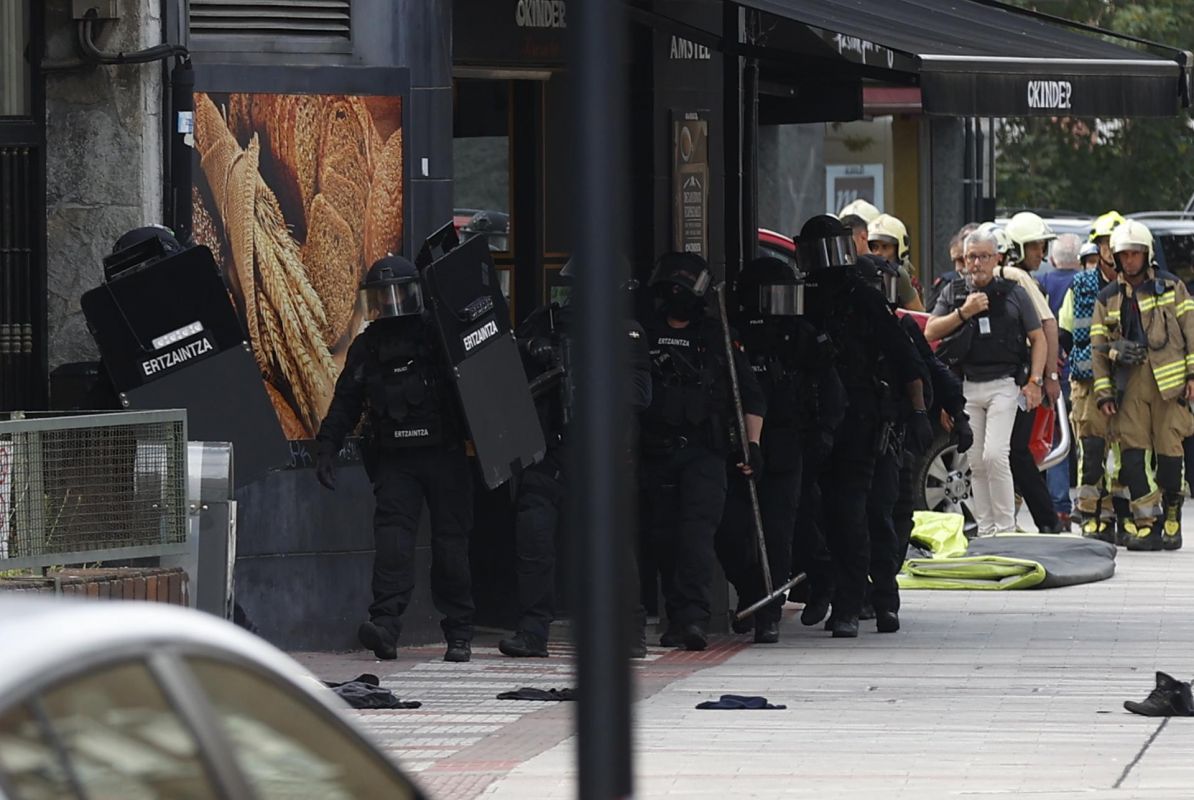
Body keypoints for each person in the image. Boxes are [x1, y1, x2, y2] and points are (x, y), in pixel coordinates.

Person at [314, 256, 476, 663]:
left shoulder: (435, 335)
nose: (390, 303)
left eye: (397, 293)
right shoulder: (369, 344)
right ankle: (384, 626)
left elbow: (474, 383)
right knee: (392, 544)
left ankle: (459, 632)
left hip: (444, 456)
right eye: (381, 297)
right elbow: (346, 400)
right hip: (395, 461)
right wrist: (326, 447)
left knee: (450, 548)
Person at [499, 262, 653, 659]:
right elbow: (505, 367)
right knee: (533, 539)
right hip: (550, 452)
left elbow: (640, 392)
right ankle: (533, 632)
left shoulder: (625, 332)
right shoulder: (547, 322)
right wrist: (536, 351)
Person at [796, 215, 928, 638]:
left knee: (852, 512)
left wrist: (920, 412)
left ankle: (852, 604)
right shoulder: (803, 296)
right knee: (810, 512)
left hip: (857, 420)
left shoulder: (861, 297)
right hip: (812, 419)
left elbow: (907, 358)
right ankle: (828, 591)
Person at [639, 252, 765, 650]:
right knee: (662, 538)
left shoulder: (716, 336)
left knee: (696, 535)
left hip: (703, 452)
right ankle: (677, 617)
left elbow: (751, 395)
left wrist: (753, 446)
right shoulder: (643, 331)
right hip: (655, 452)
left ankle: (693, 620)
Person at [717, 256, 843, 644]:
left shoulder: (802, 336)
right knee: (731, 532)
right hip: (740, 444)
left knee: (781, 529)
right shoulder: (731, 335)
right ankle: (752, 593)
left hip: (790, 442)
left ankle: (769, 612)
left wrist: (824, 432)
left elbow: (831, 388)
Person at [926, 228, 1047, 535]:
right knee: (975, 460)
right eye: (971, 257)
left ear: (996, 259)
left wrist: (1035, 380)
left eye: (983, 257)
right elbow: (931, 330)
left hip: (1004, 384)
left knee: (996, 455)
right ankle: (986, 528)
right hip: (967, 385)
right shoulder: (954, 292)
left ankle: (1006, 527)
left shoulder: (1014, 292)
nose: (976, 263)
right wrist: (964, 313)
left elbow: (1039, 337)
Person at [1091, 219, 1194, 551]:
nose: (1130, 260)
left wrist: (1192, 376)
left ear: (1146, 254)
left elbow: (1191, 331)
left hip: (1170, 386)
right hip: (1129, 387)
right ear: (1117, 258)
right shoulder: (1107, 297)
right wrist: (1104, 391)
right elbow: (1098, 349)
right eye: (1125, 255)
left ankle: (1173, 517)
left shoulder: (1172, 286)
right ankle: (1147, 524)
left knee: (1169, 457)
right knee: (1132, 459)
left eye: (1136, 254)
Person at [852, 254, 940, 633]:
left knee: (887, 518)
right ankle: (852, 599)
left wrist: (923, 414)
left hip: (886, 437)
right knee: (850, 521)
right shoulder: (839, 323)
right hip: (846, 439)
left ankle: (884, 600)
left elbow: (919, 370)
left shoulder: (896, 327)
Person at [1039, 233, 1084, 529]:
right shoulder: (1085, 283)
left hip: (1050, 372)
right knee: (1081, 440)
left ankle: (1059, 508)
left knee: (1054, 438)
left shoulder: (1042, 283)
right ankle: (1084, 503)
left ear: (1053, 258)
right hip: (1080, 373)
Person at [867, 213, 926, 311]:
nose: (877, 253)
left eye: (885, 247)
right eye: (874, 247)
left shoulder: (910, 283)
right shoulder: (862, 277)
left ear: (900, 249)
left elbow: (920, 318)